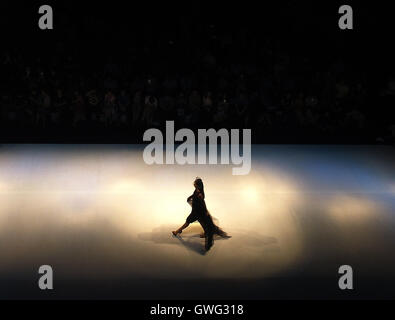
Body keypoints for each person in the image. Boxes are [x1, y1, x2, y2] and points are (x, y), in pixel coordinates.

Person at [172, 177, 230, 251]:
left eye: (195, 183)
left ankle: (177, 231)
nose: (194, 184)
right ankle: (179, 231)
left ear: (197, 185)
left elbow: (203, 203)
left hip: (198, 212)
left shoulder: (199, 193)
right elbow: (194, 195)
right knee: (202, 223)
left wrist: (205, 211)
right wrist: (190, 197)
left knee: (188, 221)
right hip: (196, 211)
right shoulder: (197, 190)